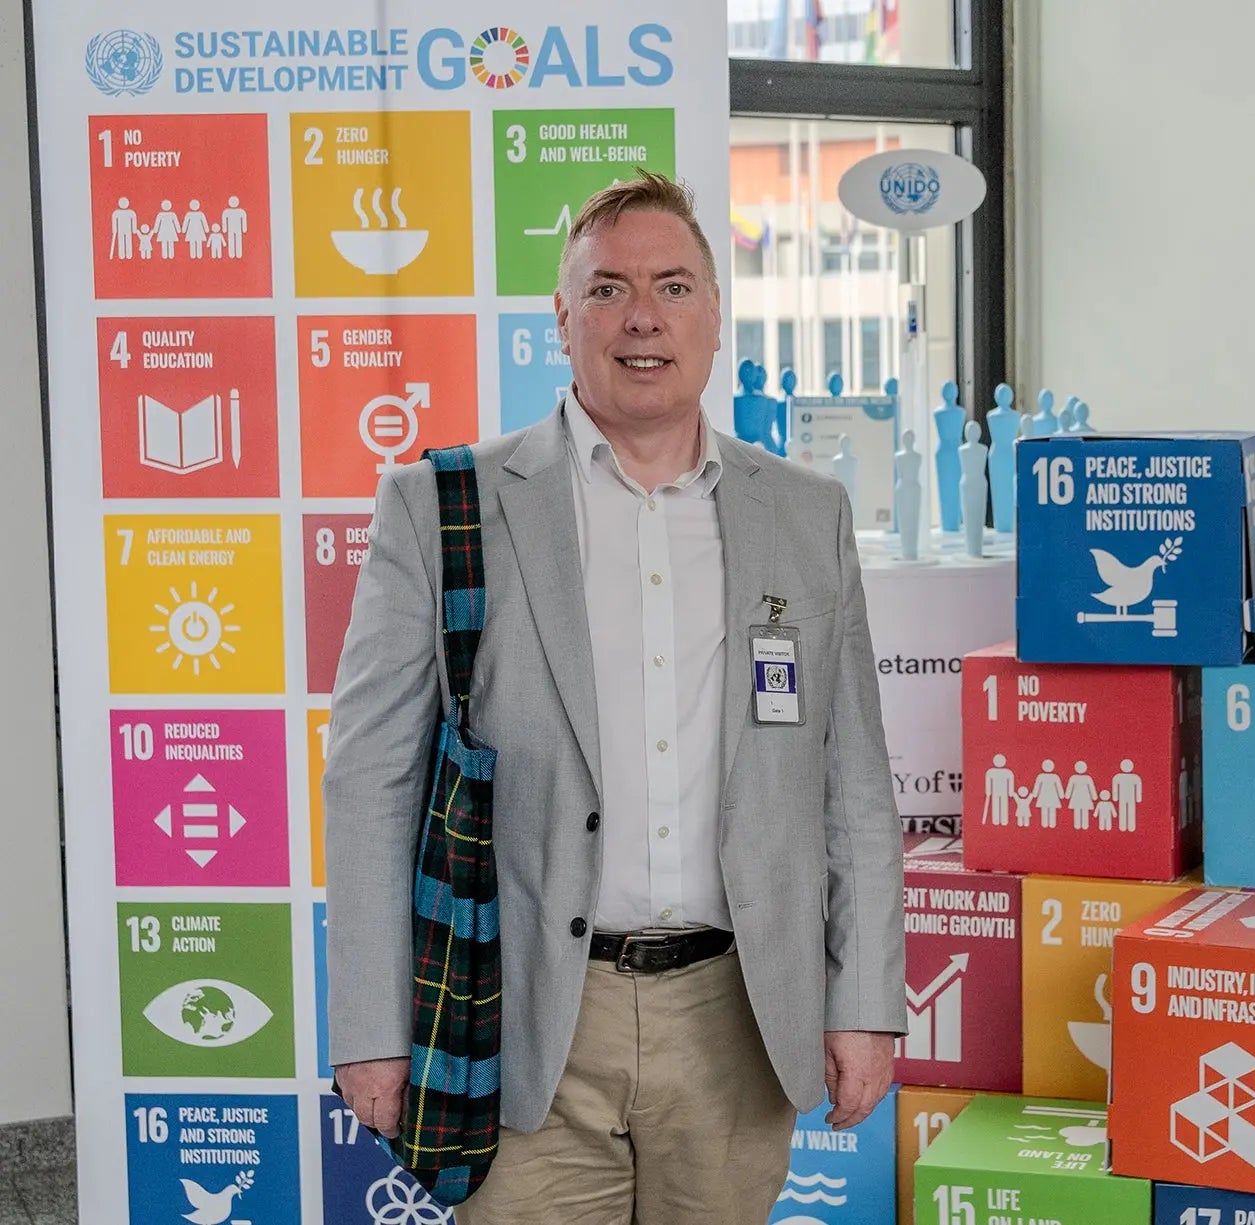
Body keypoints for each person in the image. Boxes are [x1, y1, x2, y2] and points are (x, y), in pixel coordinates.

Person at [323, 170, 905, 1224]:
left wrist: (865, 1003)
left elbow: (852, 784)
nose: (642, 317)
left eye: (674, 286)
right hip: (526, 1019)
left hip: (737, 1021)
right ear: (560, 318)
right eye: (607, 289)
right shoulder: (442, 507)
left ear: (716, 315)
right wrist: (371, 1026)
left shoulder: (807, 516)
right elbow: (370, 778)